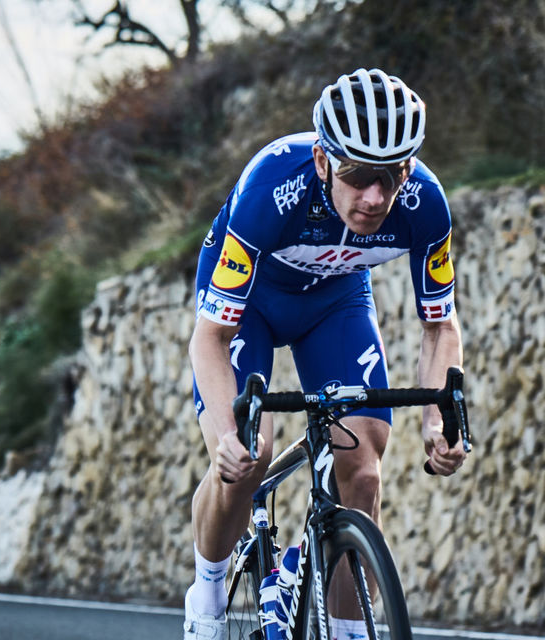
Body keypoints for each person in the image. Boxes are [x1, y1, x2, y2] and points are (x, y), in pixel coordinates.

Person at [183, 68, 467, 640]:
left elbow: (439, 325)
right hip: (251, 306)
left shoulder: (425, 204)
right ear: (321, 162)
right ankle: (208, 591)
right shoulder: (271, 189)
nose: (374, 197)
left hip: (335, 302)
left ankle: (345, 630)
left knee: (362, 468)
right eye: (357, 175)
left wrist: (438, 420)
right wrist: (223, 437)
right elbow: (209, 337)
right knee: (248, 454)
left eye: (390, 177)